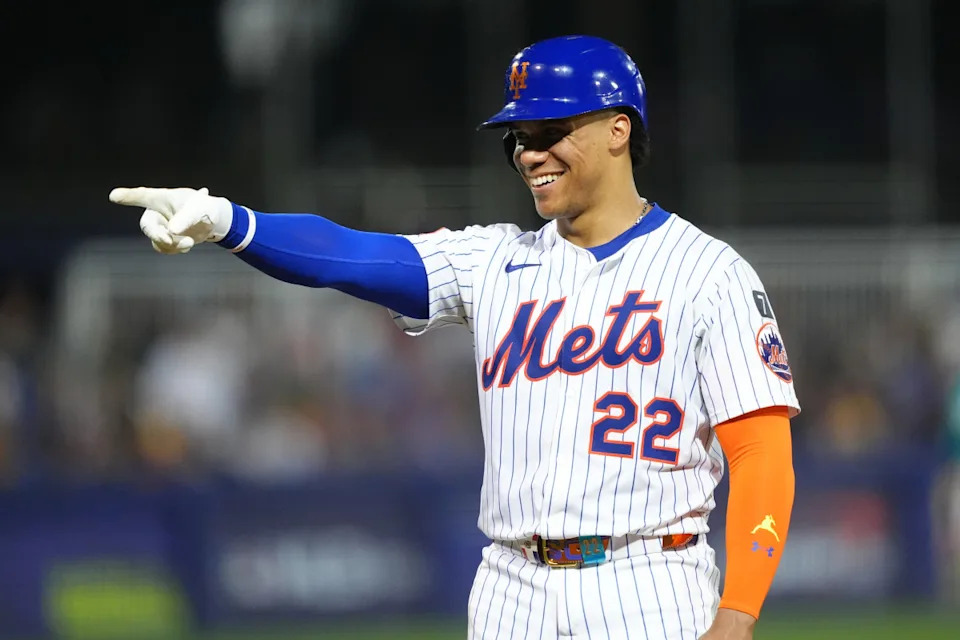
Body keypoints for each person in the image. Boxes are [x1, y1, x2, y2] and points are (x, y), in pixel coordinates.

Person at [110, 34, 798, 640]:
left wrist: (736, 613)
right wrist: (227, 220)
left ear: (619, 129)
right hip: (511, 586)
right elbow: (355, 256)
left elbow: (761, 452)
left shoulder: (708, 274)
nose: (530, 153)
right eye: (518, 139)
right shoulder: (495, 260)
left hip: (651, 580)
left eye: (549, 130)